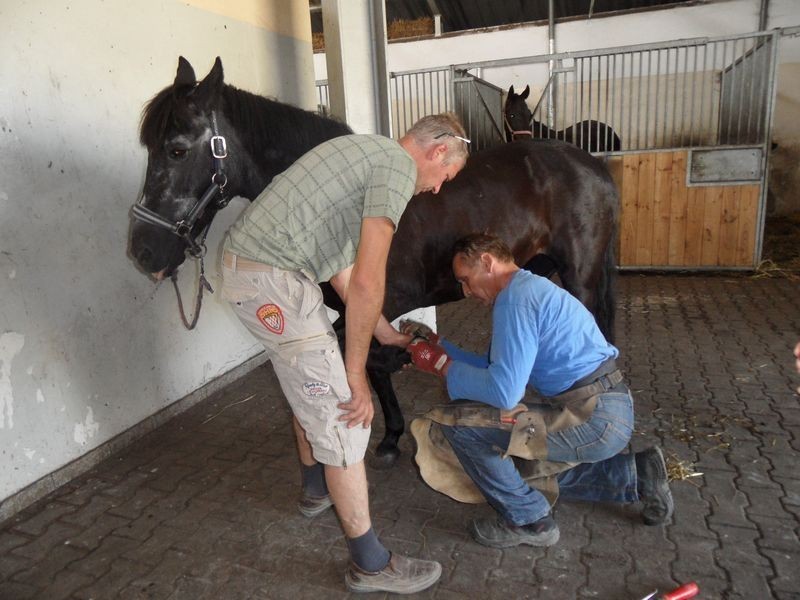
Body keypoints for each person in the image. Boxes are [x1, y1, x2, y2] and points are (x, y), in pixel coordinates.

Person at [219, 114, 468, 594]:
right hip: (270, 278)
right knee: (343, 411)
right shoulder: (396, 169)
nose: (438, 189)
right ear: (438, 152)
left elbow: (344, 275)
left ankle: (316, 489)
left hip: (259, 273)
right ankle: (370, 563)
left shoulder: (366, 155)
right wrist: (356, 375)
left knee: (308, 381)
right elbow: (372, 280)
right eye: (447, 177)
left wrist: (388, 335)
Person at [406, 233, 674, 548]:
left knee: (463, 428)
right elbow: (492, 368)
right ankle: (637, 475)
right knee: (519, 462)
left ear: (488, 262)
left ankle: (530, 520)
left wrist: (443, 367)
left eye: (466, 280)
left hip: (590, 417)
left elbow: (505, 392)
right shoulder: (526, 290)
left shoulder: (515, 299)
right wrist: (440, 347)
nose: (466, 292)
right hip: (603, 411)